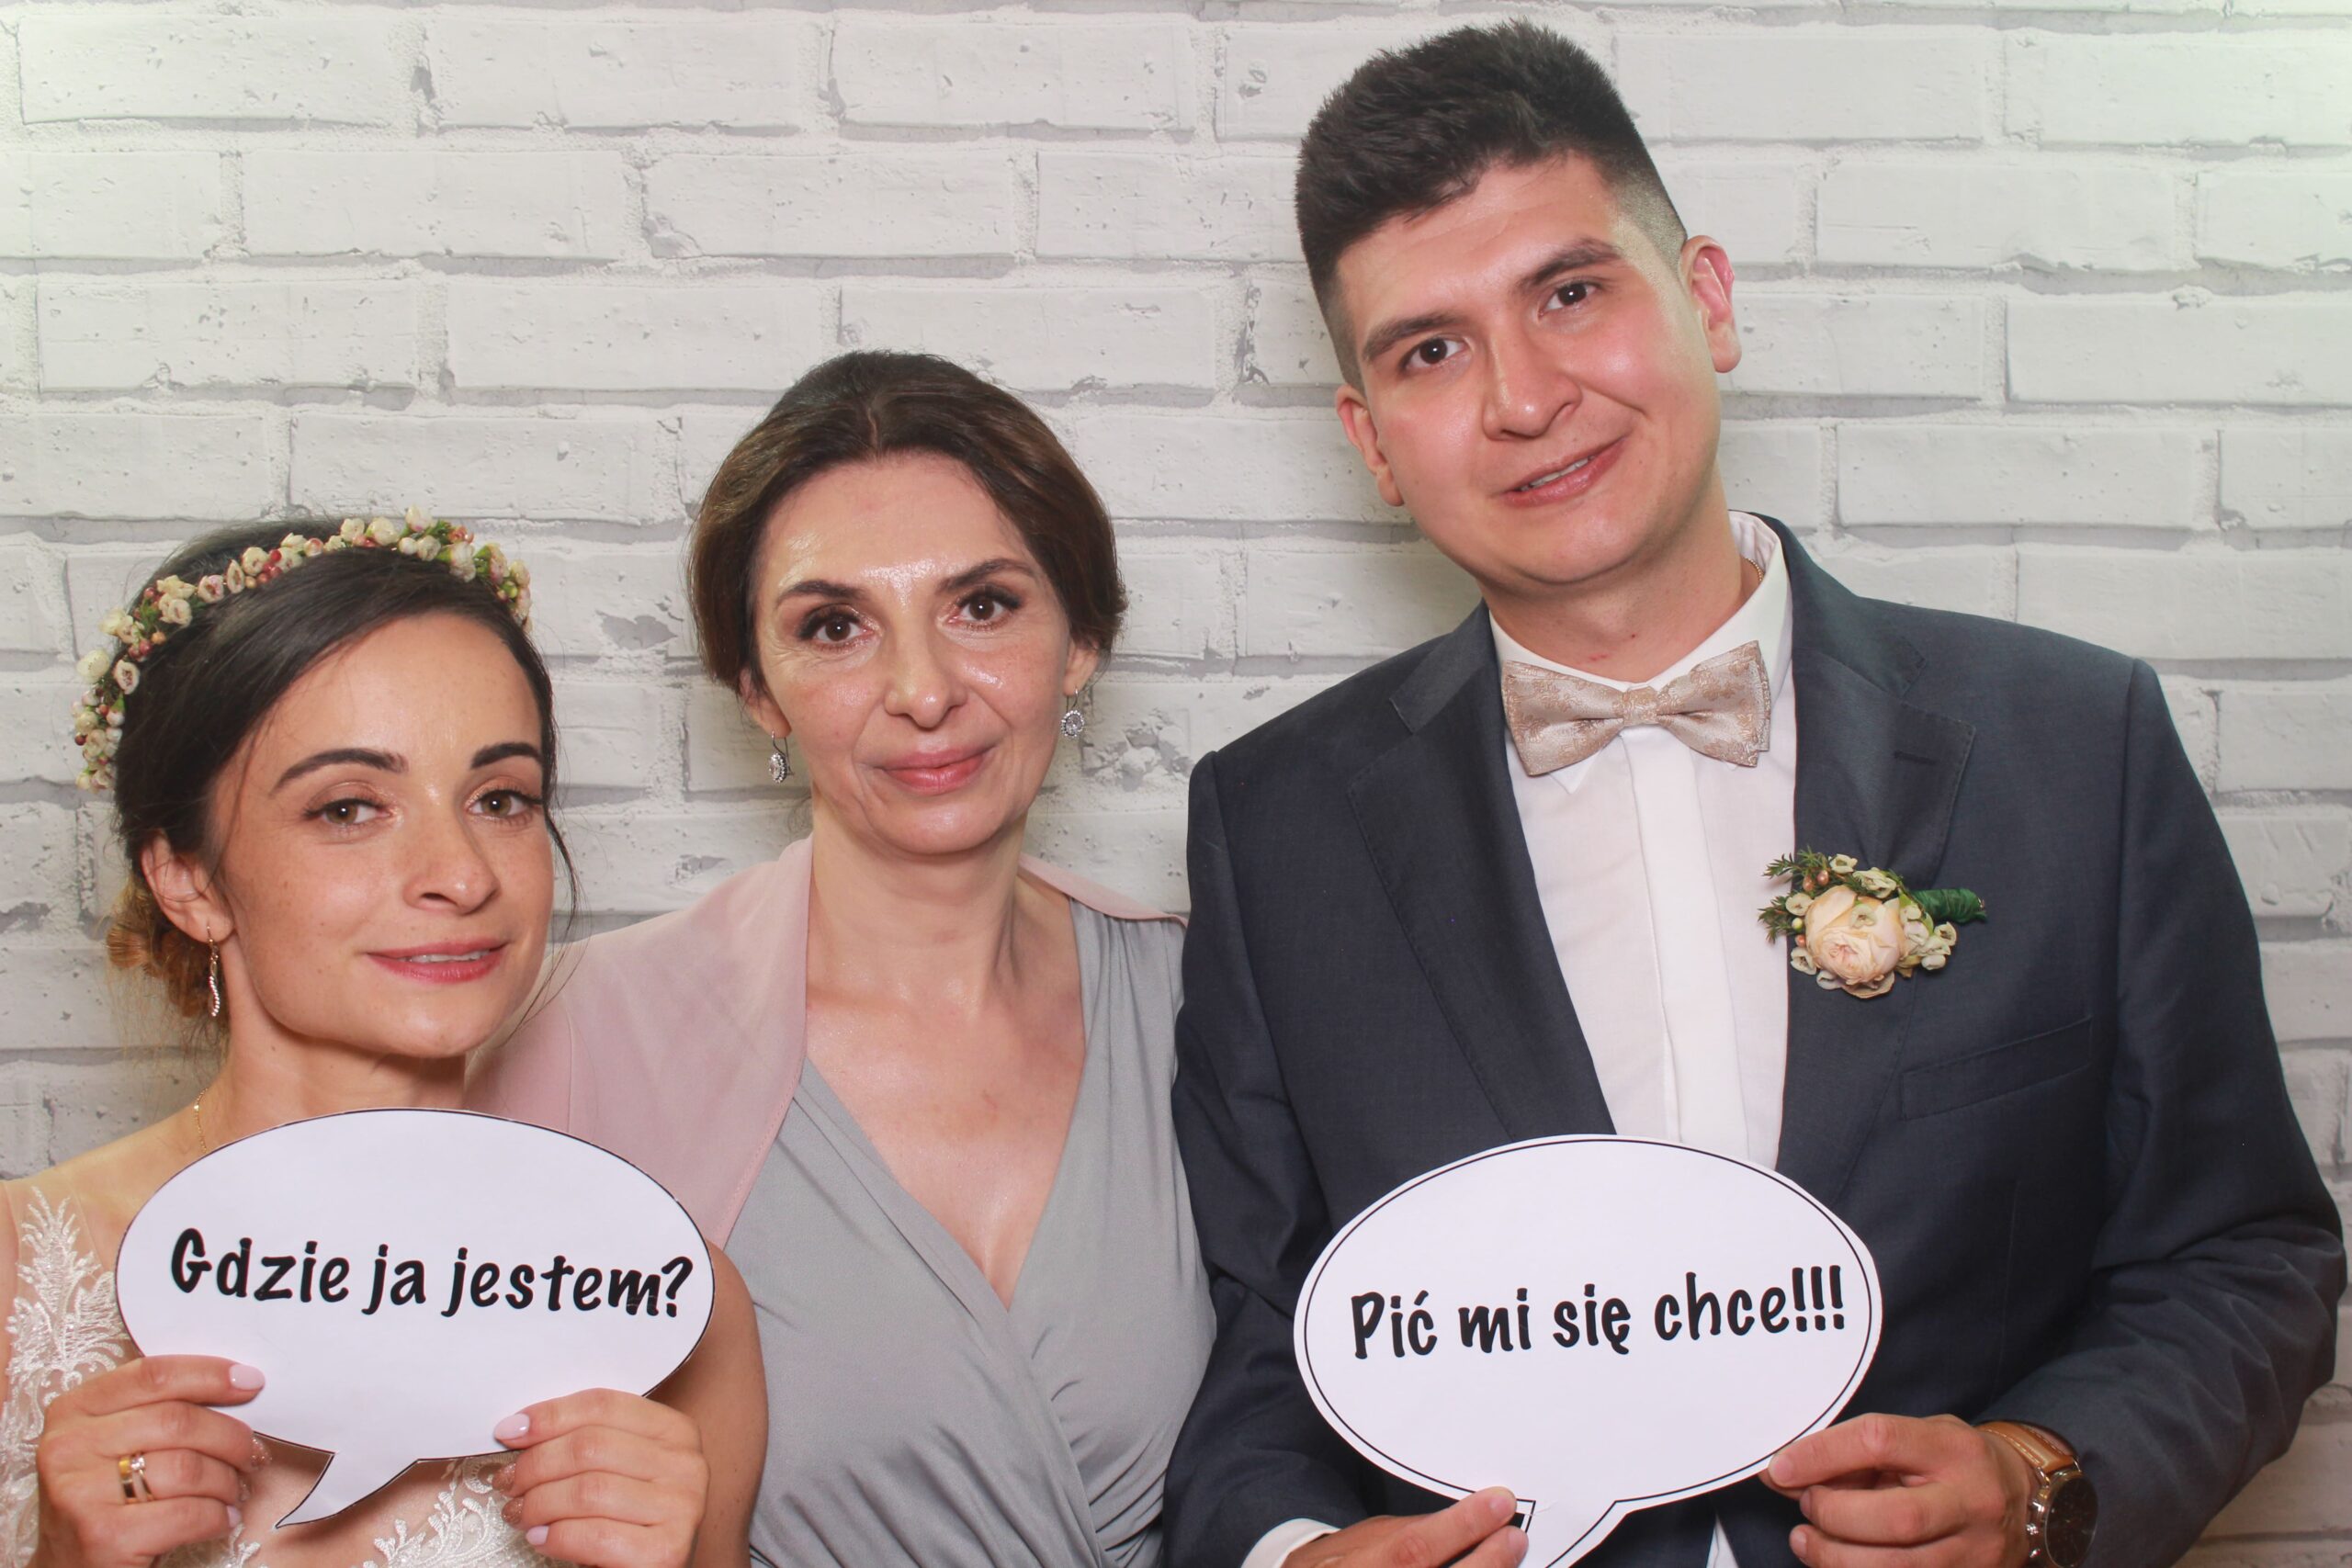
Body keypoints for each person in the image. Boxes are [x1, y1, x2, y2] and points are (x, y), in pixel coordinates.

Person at [1160, 21, 2344, 1568]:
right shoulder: (1274, 830)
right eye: (1430, 351)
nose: (1523, 396)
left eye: (1570, 293)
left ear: (1706, 298)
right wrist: (1287, 1550)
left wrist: (2039, 1474)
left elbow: (2242, 1253)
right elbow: (1264, 1340)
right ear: (1370, 439)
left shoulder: (2076, 747)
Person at [470, 351, 1214, 1568]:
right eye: (835, 627)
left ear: (1080, 640)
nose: (922, 690)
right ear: (757, 690)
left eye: (983, 606)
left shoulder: (1204, 1002)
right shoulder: (585, 1035)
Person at [3, 518, 765, 1568]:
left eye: (500, 799)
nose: (462, 874)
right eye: (349, 808)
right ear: (187, 878)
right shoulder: (20, 1273)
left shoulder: (673, 1303)